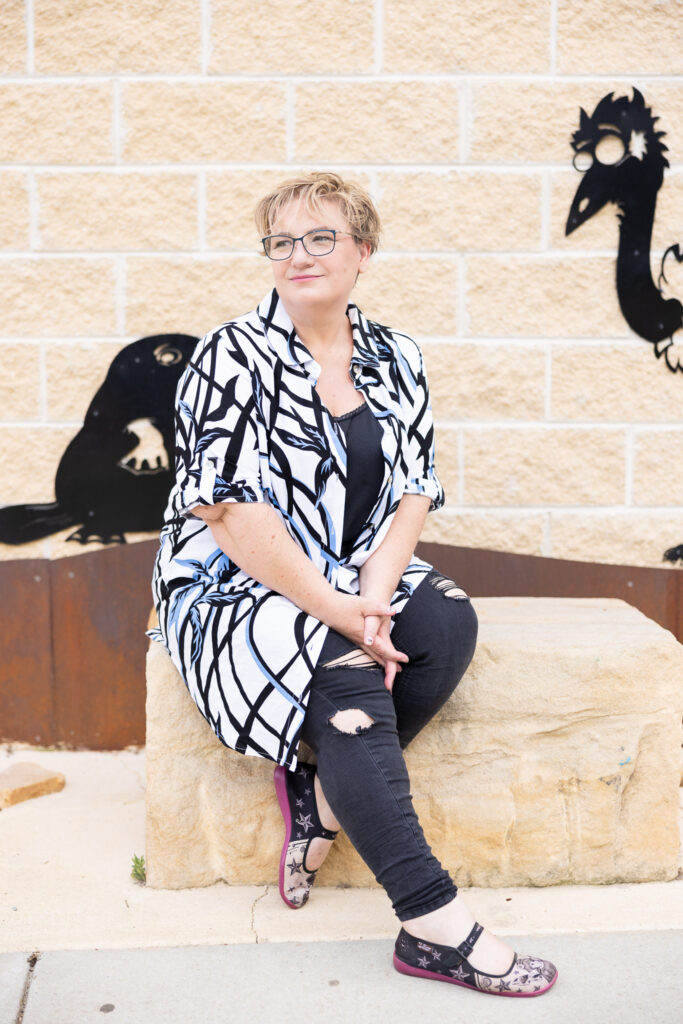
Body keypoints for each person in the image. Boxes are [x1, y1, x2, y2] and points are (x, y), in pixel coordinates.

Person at [152, 171, 557, 998]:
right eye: (281, 240)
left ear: (362, 251)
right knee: (343, 666)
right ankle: (431, 921)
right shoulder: (231, 356)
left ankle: (322, 805)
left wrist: (371, 599)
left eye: (320, 237)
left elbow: (412, 490)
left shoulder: (395, 355)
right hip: (232, 584)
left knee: (442, 622)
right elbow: (229, 517)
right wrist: (344, 615)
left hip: (343, 571)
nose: (298, 254)